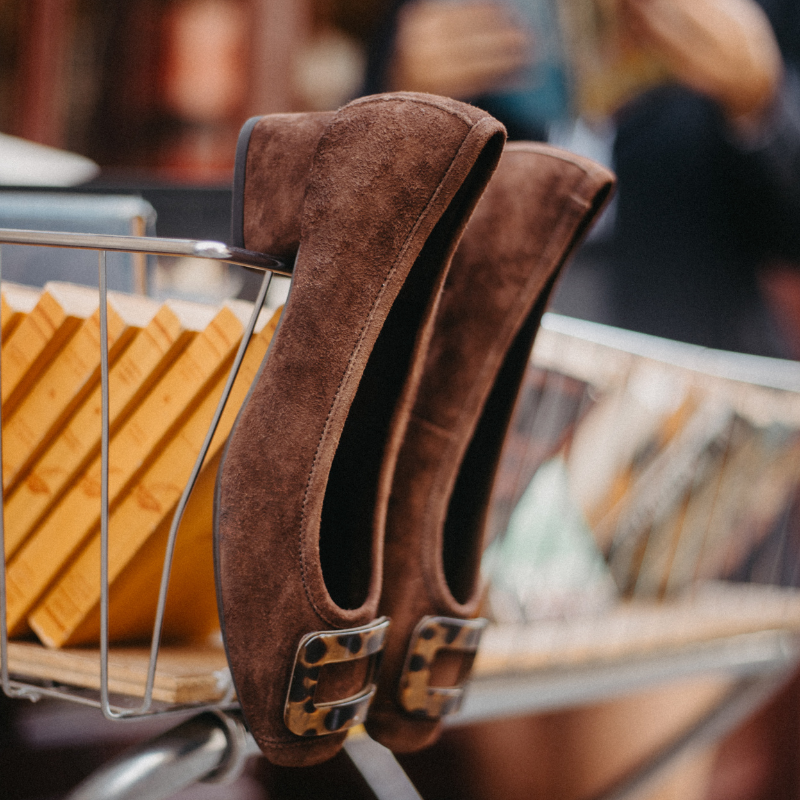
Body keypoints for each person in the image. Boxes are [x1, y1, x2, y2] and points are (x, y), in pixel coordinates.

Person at [365, 0, 800, 356]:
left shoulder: (765, 13)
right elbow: (361, 232)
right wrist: (404, 111)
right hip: (489, 382)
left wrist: (763, 105)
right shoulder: (435, 18)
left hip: (692, 381)